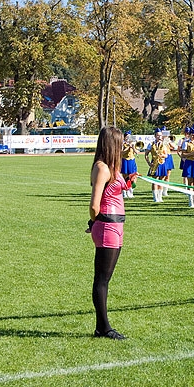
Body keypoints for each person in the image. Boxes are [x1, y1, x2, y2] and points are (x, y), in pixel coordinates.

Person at [88, 126, 131, 340]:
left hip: (114, 226)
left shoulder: (112, 167)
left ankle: (102, 327)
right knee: (102, 279)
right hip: (107, 226)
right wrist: (95, 222)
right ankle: (103, 328)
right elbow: (95, 205)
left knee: (105, 278)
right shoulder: (102, 168)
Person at [144, 128, 169, 202]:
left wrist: (162, 156)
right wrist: (149, 163)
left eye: (160, 135)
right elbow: (146, 155)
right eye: (158, 135)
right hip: (154, 163)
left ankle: (160, 196)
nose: (159, 137)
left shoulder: (163, 144)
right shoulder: (151, 144)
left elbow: (166, 155)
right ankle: (155, 197)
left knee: (161, 180)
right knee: (155, 180)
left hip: (162, 163)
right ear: (155, 136)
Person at [120, 130, 138, 198]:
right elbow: (121, 153)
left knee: (133, 176)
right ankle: (124, 191)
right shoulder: (122, 144)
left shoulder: (133, 143)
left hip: (132, 160)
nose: (128, 138)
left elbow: (137, 152)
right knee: (125, 176)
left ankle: (130, 190)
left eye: (129, 137)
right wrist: (128, 147)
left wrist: (133, 147)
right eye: (127, 137)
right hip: (124, 160)